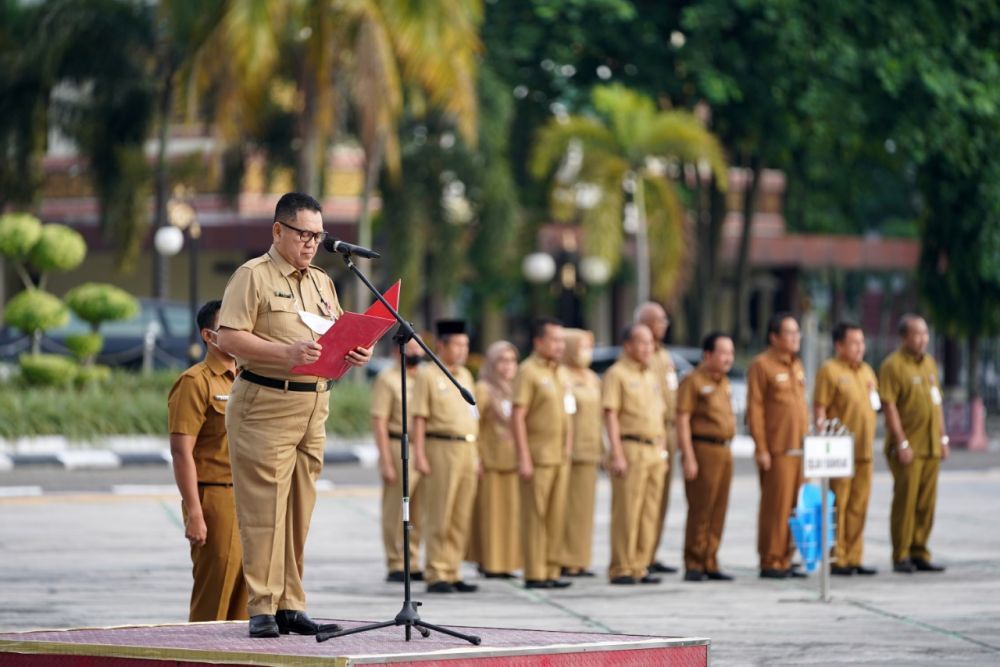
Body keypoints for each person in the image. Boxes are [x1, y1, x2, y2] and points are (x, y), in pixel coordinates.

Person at [217, 192, 372, 638]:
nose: (310, 242)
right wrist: (285, 352)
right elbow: (229, 337)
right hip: (265, 403)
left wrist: (355, 351)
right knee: (264, 509)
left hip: (313, 405)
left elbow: (335, 330)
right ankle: (262, 606)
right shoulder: (253, 276)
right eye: (303, 233)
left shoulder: (322, 280)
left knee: (299, 510)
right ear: (278, 231)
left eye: (317, 235)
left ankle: (291, 603)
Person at [168, 300, 248, 622]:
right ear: (209, 336)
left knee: (247, 602)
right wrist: (194, 513)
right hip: (215, 497)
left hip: (249, 497)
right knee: (213, 598)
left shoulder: (248, 377)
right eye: (228, 328)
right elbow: (181, 451)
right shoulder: (195, 382)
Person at [412, 320, 480, 594]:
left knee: (460, 514)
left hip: (467, 448)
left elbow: (473, 417)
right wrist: (419, 454)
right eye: (457, 344)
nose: (463, 350)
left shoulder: (465, 375)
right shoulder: (428, 375)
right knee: (440, 512)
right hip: (440, 447)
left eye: (465, 345)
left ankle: (453, 570)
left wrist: (477, 455)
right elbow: (419, 417)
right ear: (441, 346)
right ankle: (436, 571)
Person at [879, 314, 950, 574]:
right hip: (908, 446)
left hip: (930, 445)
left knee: (926, 503)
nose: (922, 339)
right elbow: (889, 405)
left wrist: (943, 438)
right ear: (904, 337)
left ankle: (920, 550)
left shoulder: (930, 363)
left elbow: (936, 403)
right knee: (905, 501)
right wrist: (901, 441)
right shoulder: (893, 365)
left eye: (925, 334)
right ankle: (901, 553)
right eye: (917, 334)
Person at [813, 322, 879, 576]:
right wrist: (822, 442)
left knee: (859, 505)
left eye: (862, 342)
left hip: (864, 450)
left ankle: (854, 556)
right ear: (839, 345)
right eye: (854, 343)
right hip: (840, 450)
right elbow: (820, 408)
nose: (860, 348)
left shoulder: (867, 372)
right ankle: (837, 556)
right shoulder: (829, 371)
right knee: (838, 504)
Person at [512, 318, 574, 589]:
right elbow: (518, 416)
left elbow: (567, 414)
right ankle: (535, 573)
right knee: (535, 515)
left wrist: (569, 446)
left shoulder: (560, 372)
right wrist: (524, 456)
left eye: (562, 340)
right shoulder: (528, 371)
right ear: (538, 342)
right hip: (538, 456)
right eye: (555, 340)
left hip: (560, 456)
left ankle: (551, 569)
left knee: (557, 515)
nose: (560, 346)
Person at [603, 323, 667, 585]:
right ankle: (622, 566)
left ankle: (641, 565)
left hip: (654, 449)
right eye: (641, 342)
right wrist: (616, 452)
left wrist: (662, 445)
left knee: (650, 512)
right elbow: (610, 414)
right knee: (627, 510)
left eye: (650, 343)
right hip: (630, 448)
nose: (647, 347)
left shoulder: (651, 375)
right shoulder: (616, 374)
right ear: (627, 345)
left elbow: (659, 414)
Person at [747, 312, 809, 579]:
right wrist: (762, 448)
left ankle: (786, 557)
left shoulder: (797, 365)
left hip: (800, 449)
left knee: (797, 506)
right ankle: (771, 559)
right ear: (774, 337)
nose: (795, 338)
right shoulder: (762, 365)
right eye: (789, 333)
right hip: (778, 449)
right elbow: (756, 409)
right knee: (777, 507)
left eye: (797, 333)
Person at [677, 332, 737, 582]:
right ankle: (694, 562)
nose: (728, 359)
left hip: (724, 449)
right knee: (701, 508)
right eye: (723, 353)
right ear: (708, 354)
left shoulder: (724, 382)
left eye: (731, 353)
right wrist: (689, 456)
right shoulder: (693, 381)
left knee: (719, 509)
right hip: (703, 449)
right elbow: (682, 419)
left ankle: (711, 559)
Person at [371, 338, 426, 583]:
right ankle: (396, 561)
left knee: (418, 510)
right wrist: (385, 460)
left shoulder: (425, 379)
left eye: (418, 348)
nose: (415, 352)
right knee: (396, 508)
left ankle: (412, 560)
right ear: (397, 351)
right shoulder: (388, 379)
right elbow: (379, 421)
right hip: (396, 444)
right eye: (410, 348)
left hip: (421, 447)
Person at [471, 340, 522, 578]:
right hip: (490, 460)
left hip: (512, 461)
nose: (507, 366)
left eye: (512, 360)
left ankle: (506, 563)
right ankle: (490, 563)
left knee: (510, 515)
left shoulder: (516, 388)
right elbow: (474, 423)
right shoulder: (483, 388)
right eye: (502, 361)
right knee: (491, 515)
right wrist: (476, 456)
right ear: (492, 363)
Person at [635, 302, 679, 575]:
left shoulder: (664, 355)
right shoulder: (643, 356)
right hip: (649, 431)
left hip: (667, 430)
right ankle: (639, 555)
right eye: (658, 319)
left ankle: (652, 552)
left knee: (660, 497)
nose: (664, 324)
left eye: (664, 319)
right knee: (644, 499)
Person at [560, 328, 603, 578]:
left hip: (590, 450)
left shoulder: (592, 377)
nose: (586, 353)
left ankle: (581, 558)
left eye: (589, 347)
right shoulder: (562, 375)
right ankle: (565, 559)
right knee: (568, 508)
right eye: (581, 347)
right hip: (570, 451)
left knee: (585, 509)